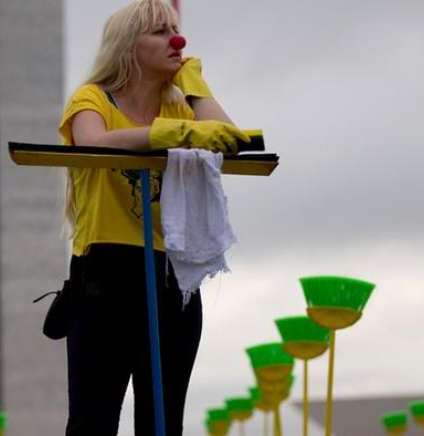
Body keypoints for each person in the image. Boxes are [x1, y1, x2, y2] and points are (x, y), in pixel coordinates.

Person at [57, 1, 250, 435]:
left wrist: (195, 85)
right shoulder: (93, 99)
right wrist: (168, 135)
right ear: (129, 47)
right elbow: (93, 142)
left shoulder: (181, 107)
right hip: (104, 274)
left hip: (169, 276)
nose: (176, 41)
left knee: (163, 424)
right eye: (160, 32)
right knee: (92, 421)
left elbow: (230, 139)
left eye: (175, 30)